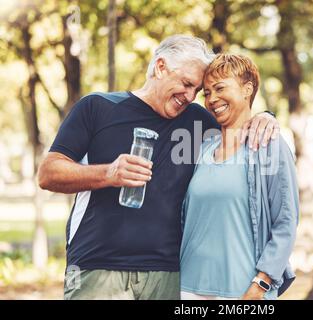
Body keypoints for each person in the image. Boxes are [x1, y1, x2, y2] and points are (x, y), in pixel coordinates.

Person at [38, 35, 280, 300]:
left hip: (169, 275)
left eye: (196, 90)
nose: (190, 96)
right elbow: (48, 173)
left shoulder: (198, 121)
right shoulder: (98, 107)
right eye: (186, 83)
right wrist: (108, 173)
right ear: (160, 67)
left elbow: (238, 121)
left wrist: (265, 117)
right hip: (99, 267)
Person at [180, 54, 299, 300]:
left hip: (243, 292)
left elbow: (285, 222)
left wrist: (261, 284)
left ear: (247, 89)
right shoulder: (202, 149)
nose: (212, 99)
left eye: (220, 88)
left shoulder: (269, 146)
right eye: (207, 93)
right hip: (189, 287)